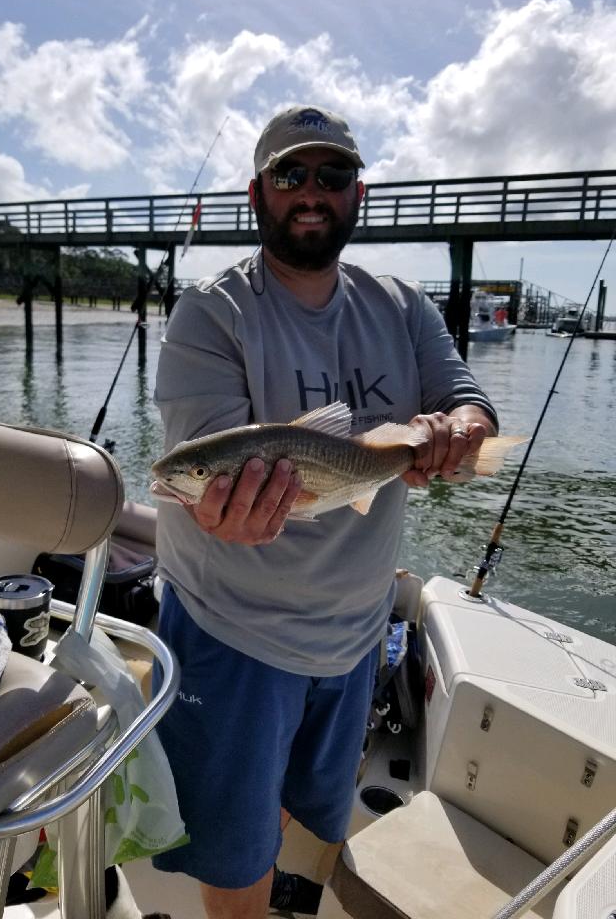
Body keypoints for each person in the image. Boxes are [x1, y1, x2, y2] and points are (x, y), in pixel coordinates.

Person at [151, 104, 498, 919]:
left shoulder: (403, 306)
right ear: (256, 193)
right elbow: (198, 463)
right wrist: (219, 508)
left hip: (353, 635)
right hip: (233, 635)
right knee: (233, 849)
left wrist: (456, 431)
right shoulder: (212, 313)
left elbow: (467, 402)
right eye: (290, 174)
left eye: (331, 175)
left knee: (281, 814)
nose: (311, 192)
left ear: (357, 193)